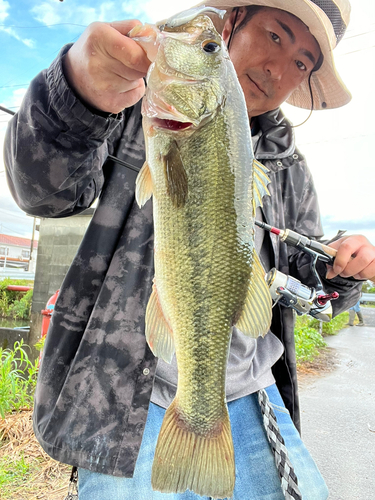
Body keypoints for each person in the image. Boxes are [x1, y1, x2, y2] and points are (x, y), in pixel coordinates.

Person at [4, 0, 375, 499]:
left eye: (303, 62)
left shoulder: (290, 168)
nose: (279, 68)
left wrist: (344, 267)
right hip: (122, 406)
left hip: (253, 393)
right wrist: (76, 97)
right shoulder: (130, 109)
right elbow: (42, 193)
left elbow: (309, 279)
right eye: (277, 36)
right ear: (233, 23)